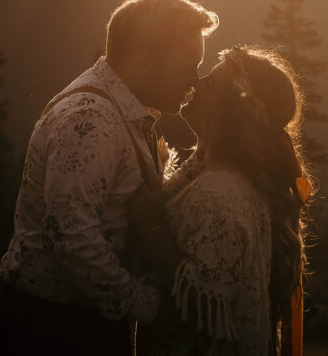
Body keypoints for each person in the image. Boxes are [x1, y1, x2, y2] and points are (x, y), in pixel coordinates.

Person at [0, 0, 219, 356]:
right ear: (143, 63)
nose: (195, 80)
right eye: (186, 67)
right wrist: (150, 306)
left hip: (73, 324)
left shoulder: (121, 110)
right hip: (54, 331)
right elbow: (71, 237)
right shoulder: (90, 120)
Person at [131, 45, 312, 356]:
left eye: (211, 84)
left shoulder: (217, 196)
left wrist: (151, 228)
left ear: (230, 113)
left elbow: (200, 305)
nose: (196, 83)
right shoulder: (223, 175)